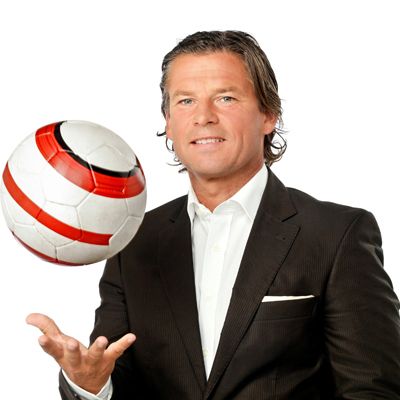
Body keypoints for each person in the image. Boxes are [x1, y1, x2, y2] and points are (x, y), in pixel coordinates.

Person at [27, 30, 400, 399]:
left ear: (268, 114)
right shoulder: (135, 240)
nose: (203, 116)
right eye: (186, 101)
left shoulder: (336, 235)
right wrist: (91, 385)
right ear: (168, 122)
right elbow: (118, 376)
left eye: (226, 98)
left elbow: (373, 390)